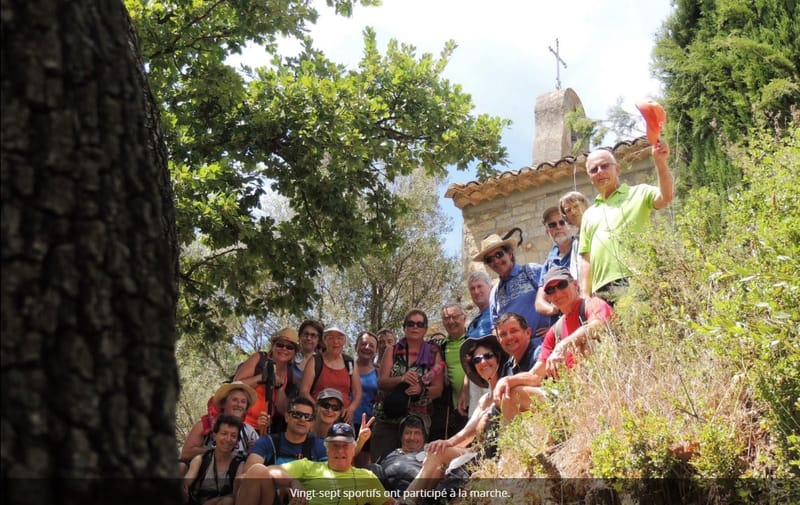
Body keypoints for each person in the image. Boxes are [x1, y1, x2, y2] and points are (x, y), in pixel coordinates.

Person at [493, 267, 614, 421]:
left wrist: (564, 345)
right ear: (548, 297)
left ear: (575, 285)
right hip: (569, 398)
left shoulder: (592, 304)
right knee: (512, 392)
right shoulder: (554, 332)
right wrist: (507, 380)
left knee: (586, 344)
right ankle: (512, 444)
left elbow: (599, 324)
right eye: (550, 290)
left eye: (562, 285)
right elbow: (535, 376)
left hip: (602, 388)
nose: (557, 293)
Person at [402, 333, 509, 503]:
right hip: (479, 451)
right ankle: (407, 501)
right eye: (476, 360)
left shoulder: (509, 387)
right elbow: (468, 433)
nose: (482, 362)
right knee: (437, 452)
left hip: (501, 453)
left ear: (498, 358)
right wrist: (446, 443)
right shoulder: (484, 399)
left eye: (488, 356)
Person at [579, 142, 674, 304]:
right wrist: (585, 295)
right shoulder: (588, 215)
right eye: (594, 170)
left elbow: (666, 197)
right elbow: (585, 258)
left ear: (617, 169)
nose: (600, 172)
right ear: (590, 177)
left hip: (637, 278)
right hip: (601, 292)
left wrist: (661, 163)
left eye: (604, 166)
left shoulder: (639, 192)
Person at [237, 423, 396, 505]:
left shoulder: (367, 477)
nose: (340, 451)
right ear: (326, 449)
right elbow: (268, 470)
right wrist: (294, 482)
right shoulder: (308, 466)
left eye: (345, 446)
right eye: (335, 445)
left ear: (354, 448)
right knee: (257, 470)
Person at [370, 309, 444, 462]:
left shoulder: (433, 353)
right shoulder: (392, 350)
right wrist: (401, 379)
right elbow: (381, 382)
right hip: (388, 418)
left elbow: (438, 389)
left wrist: (421, 390)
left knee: (413, 465)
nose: (415, 327)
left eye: (419, 324)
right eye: (410, 324)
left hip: (417, 421)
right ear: (404, 327)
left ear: (425, 328)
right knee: (381, 463)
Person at [472, 233, 550, 350]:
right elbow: (495, 327)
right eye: (490, 259)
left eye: (499, 254)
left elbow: (560, 295)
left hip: (547, 346)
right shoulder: (494, 293)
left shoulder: (532, 271)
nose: (496, 261)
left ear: (509, 253)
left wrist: (554, 328)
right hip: (520, 355)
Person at [179, 382, 259, 473]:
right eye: (235, 400)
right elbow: (186, 453)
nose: (239, 404)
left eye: (243, 402)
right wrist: (216, 451)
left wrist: (253, 451)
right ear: (224, 403)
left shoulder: (249, 431)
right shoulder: (205, 424)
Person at [234, 327, 300, 434]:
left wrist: (279, 388)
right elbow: (236, 385)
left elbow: (283, 410)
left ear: (294, 352)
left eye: (289, 347)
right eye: (280, 345)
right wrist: (261, 377)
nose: (284, 349)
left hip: (263, 428)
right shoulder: (259, 359)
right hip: (240, 422)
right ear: (273, 346)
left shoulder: (291, 374)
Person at [243, 396, 327, 472]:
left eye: (307, 417)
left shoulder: (320, 445)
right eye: (297, 414)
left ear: (312, 422)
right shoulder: (267, 442)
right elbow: (248, 474)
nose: (302, 419)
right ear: (287, 417)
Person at [300, 326, 362, 424]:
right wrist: (318, 409)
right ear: (324, 340)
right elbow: (304, 391)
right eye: (330, 338)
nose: (335, 342)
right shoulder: (315, 361)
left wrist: (351, 409)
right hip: (318, 418)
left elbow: (357, 393)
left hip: (343, 418)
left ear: (344, 341)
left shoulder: (350, 363)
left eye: (339, 338)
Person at [183, 415, 247, 505]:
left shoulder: (239, 464)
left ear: (237, 441)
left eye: (233, 436)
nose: (228, 439)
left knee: (228, 501)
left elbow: (236, 495)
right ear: (214, 435)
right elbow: (187, 481)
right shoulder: (201, 459)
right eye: (224, 434)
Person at [429, 303, 469, 442]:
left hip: (479, 401)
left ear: (464, 318)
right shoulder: (442, 346)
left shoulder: (474, 338)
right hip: (457, 408)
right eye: (446, 318)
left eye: (454, 317)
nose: (451, 321)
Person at [534, 206, 580, 320]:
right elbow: (539, 302)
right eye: (552, 225)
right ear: (547, 231)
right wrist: (555, 308)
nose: (558, 227)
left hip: (584, 312)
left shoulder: (581, 247)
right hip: (563, 322)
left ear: (569, 225)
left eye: (562, 222)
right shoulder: (549, 262)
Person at [369, 414, 429, 493]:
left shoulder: (429, 456)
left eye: (417, 433)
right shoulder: (388, 455)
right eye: (408, 433)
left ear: (424, 437)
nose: (412, 438)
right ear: (401, 436)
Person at [464, 272, 492, 415]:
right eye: (472, 288)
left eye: (480, 286)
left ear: (490, 287)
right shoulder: (472, 324)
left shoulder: (498, 312)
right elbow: (467, 357)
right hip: (475, 381)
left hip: (493, 375)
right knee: (476, 425)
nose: (476, 291)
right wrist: (465, 389)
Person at [353, 331, 380, 467]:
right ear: (356, 346)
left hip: (366, 424)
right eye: (363, 344)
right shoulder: (346, 366)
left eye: (371, 345)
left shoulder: (378, 372)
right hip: (345, 421)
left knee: (362, 465)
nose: (367, 347)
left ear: (376, 351)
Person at [495, 312, 539, 379]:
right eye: (503, 334)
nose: (509, 337)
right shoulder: (507, 367)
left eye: (513, 331)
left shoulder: (539, 356)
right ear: (499, 341)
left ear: (528, 333)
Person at [292, 319, 323, 384]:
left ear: (318, 340)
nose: (309, 338)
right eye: (306, 334)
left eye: (313, 335)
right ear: (300, 336)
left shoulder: (322, 362)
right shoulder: (290, 358)